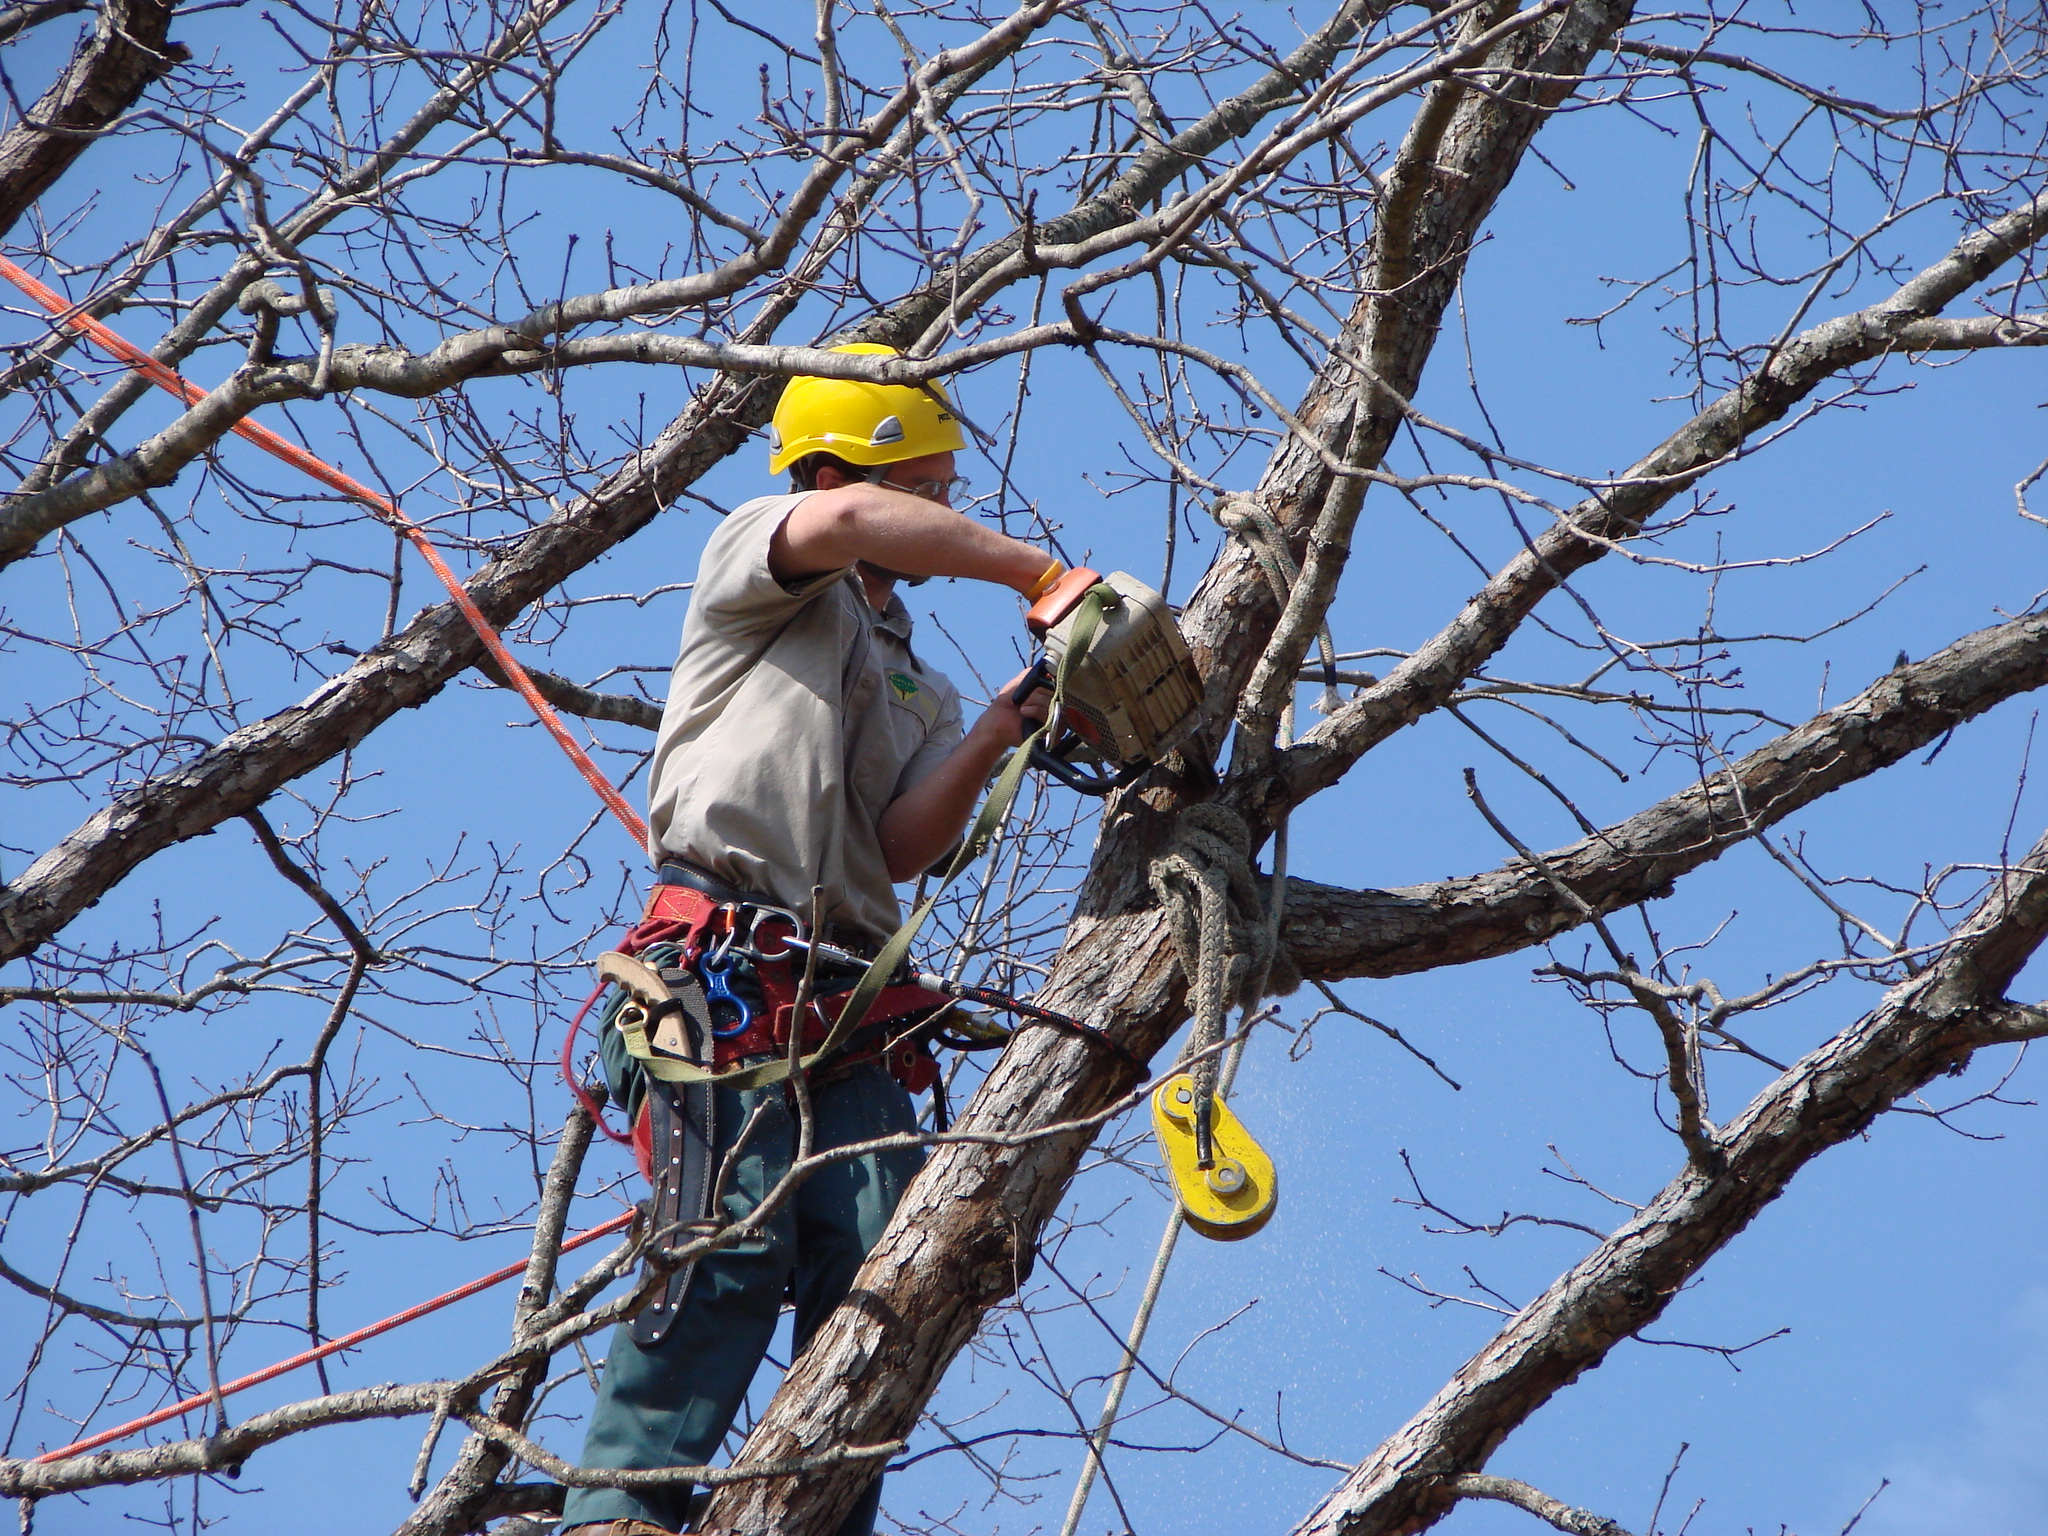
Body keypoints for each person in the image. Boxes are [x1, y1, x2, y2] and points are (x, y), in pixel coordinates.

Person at [560, 344, 1064, 1536]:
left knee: (881, 1282)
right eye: (924, 491)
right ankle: (618, 1510)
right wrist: (1044, 571)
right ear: (845, 468)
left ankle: (819, 1517)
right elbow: (840, 518)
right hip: (720, 975)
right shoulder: (762, 554)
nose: (938, 513)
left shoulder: (915, 681)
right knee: (727, 1249)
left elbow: (898, 847)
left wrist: (1001, 725)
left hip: (851, 1010)